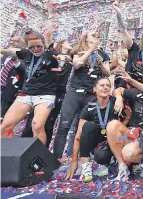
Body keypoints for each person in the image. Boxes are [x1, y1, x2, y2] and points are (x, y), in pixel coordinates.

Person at [53, 30, 111, 159]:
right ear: (86, 38)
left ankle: (79, 158)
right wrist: (90, 51)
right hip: (75, 91)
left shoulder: (103, 54)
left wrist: (100, 61)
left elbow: (107, 73)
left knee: (84, 128)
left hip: (91, 94)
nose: (97, 37)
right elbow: (77, 64)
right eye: (93, 35)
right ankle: (56, 159)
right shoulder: (78, 50)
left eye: (98, 36)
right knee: (64, 126)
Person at [0, 31, 65, 144]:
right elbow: (9, 52)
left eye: (39, 46)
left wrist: (62, 58)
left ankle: (39, 160)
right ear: (27, 47)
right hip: (26, 94)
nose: (35, 49)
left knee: (37, 125)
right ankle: (8, 157)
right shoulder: (25, 53)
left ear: (44, 44)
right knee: (5, 126)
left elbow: (63, 56)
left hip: (45, 95)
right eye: (32, 47)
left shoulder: (50, 54)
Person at [64, 77, 130, 182]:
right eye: (102, 85)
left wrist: (119, 99)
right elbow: (79, 135)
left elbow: (128, 117)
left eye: (108, 86)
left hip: (120, 138)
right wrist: (74, 161)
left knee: (115, 128)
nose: (105, 88)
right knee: (88, 127)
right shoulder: (89, 108)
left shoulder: (117, 102)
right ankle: (86, 166)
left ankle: (119, 163)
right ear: (95, 89)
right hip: (102, 141)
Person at [106, 68, 143, 181]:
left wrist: (131, 80)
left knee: (128, 153)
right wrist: (118, 98)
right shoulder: (135, 92)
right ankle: (122, 166)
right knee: (113, 127)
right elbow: (117, 90)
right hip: (129, 134)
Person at [22, 39, 74, 148]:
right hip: (44, 92)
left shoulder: (71, 59)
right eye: (68, 42)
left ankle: (42, 153)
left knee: (49, 124)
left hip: (58, 95)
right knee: (33, 122)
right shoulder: (51, 57)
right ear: (61, 44)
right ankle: (23, 148)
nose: (71, 43)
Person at [1, 34, 26, 118]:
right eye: (11, 40)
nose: (12, 42)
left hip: (9, 92)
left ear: (23, 44)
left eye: (16, 41)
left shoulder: (25, 59)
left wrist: (15, 57)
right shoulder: (3, 56)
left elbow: (22, 71)